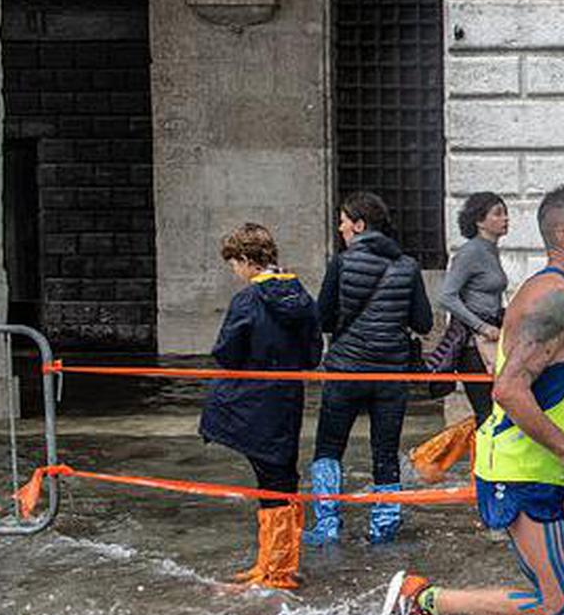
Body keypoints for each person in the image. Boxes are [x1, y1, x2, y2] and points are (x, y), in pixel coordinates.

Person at [373, 184, 564, 615]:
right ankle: (422, 599)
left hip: (548, 464)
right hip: (521, 467)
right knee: (552, 600)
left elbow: (549, 381)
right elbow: (507, 390)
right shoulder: (553, 299)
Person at [305, 191, 434, 547]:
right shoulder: (407, 266)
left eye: (344, 221)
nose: (341, 227)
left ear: (360, 225)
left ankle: (328, 523)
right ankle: (384, 527)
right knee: (385, 449)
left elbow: (323, 318)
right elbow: (423, 322)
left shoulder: (342, 263)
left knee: (329, 446)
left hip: (346, 369)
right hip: (391, 374)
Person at [199, 223, 320, 590]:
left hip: (252, 399)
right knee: (278, 477)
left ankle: (276, 569)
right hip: (286, 397)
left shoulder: (248, 300)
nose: (235, 272)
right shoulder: (302, 296)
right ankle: (273, 564)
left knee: (271, 482)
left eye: (235, 263)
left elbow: (226, 351)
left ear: (247, 260)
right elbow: (314, 354)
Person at [438, 192, 511, 425]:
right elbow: (447, 296)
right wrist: (481, 326)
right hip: (473, 345)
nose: (506, 218)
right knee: (486, 412)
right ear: (480, 221)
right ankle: (484, 461)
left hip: (491, 340)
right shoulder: (470, 252)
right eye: (498, 213)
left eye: (505, 213)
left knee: (498, 410)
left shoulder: (491, 250)